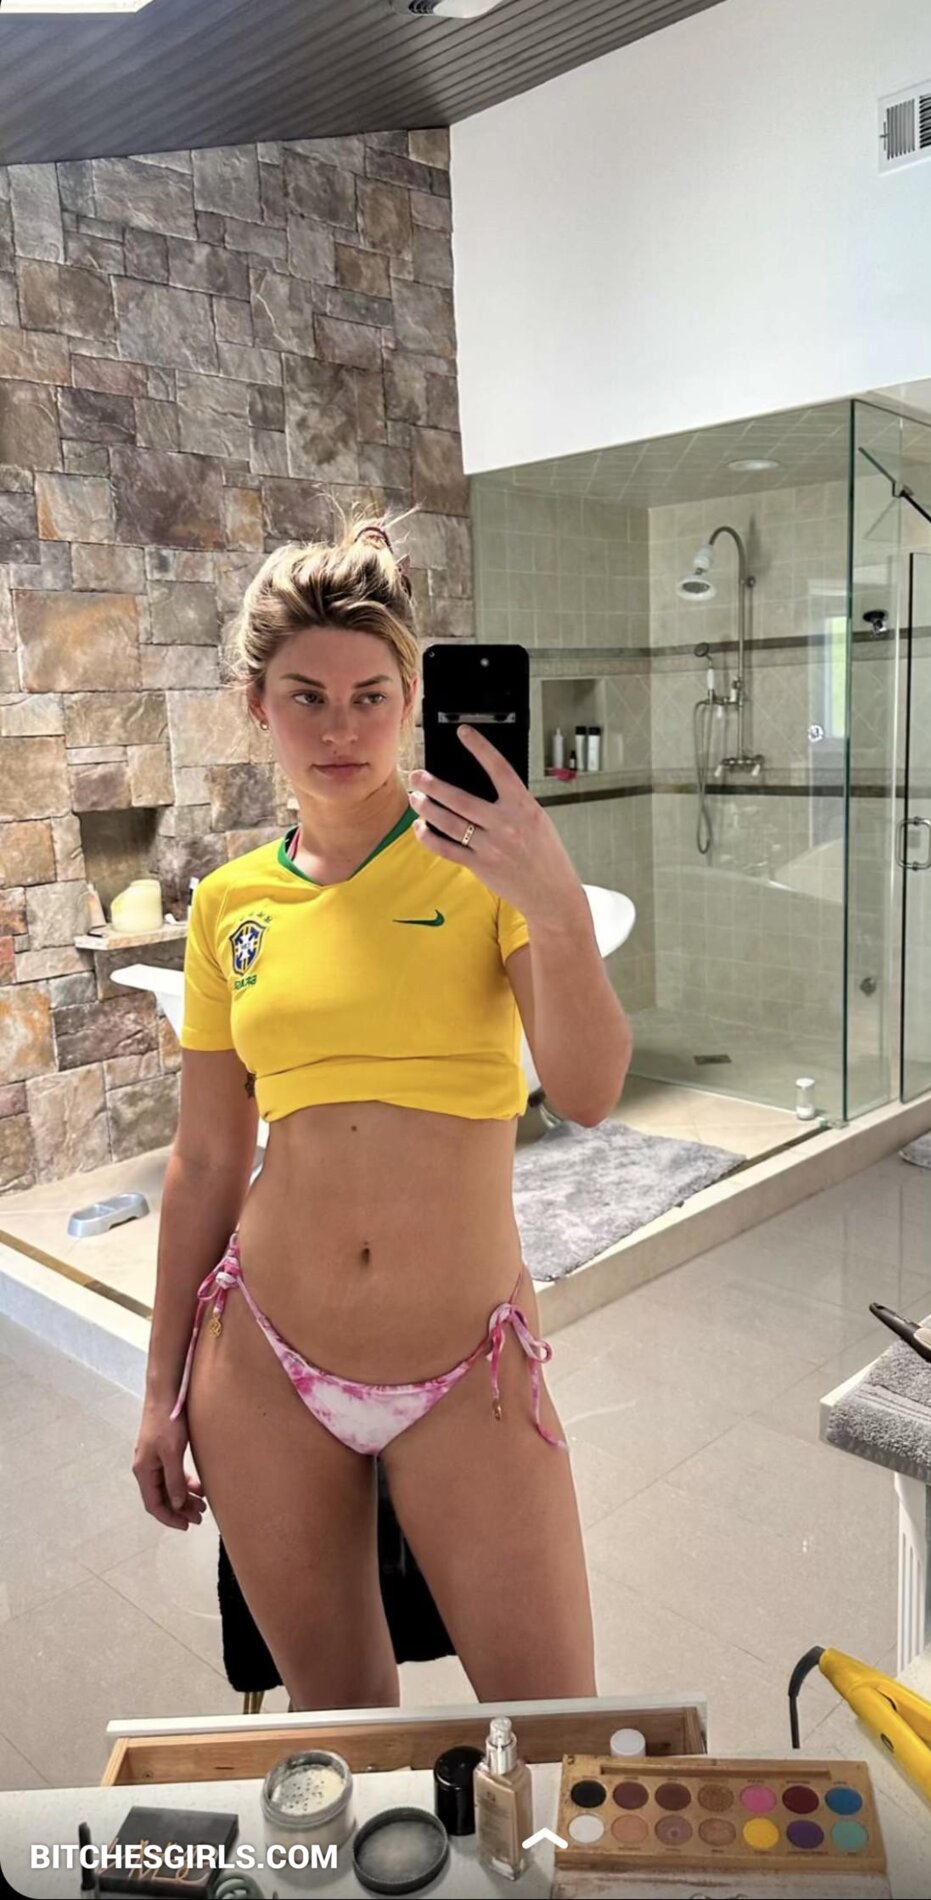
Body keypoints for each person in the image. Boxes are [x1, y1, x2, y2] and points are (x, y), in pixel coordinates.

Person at [132, 513, 633, 1711]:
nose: (340, 729)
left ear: (412, 701)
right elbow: (206, 1161)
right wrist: (159, 1391)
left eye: (371, 696)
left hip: (466, 1364)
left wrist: (554, 904)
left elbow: (588, 1089)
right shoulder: (229, 905)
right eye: (305, 697)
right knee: (343, 1734)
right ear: (256, 705)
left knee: (553, 1721)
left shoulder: (485, 870)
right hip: (262, 1360)